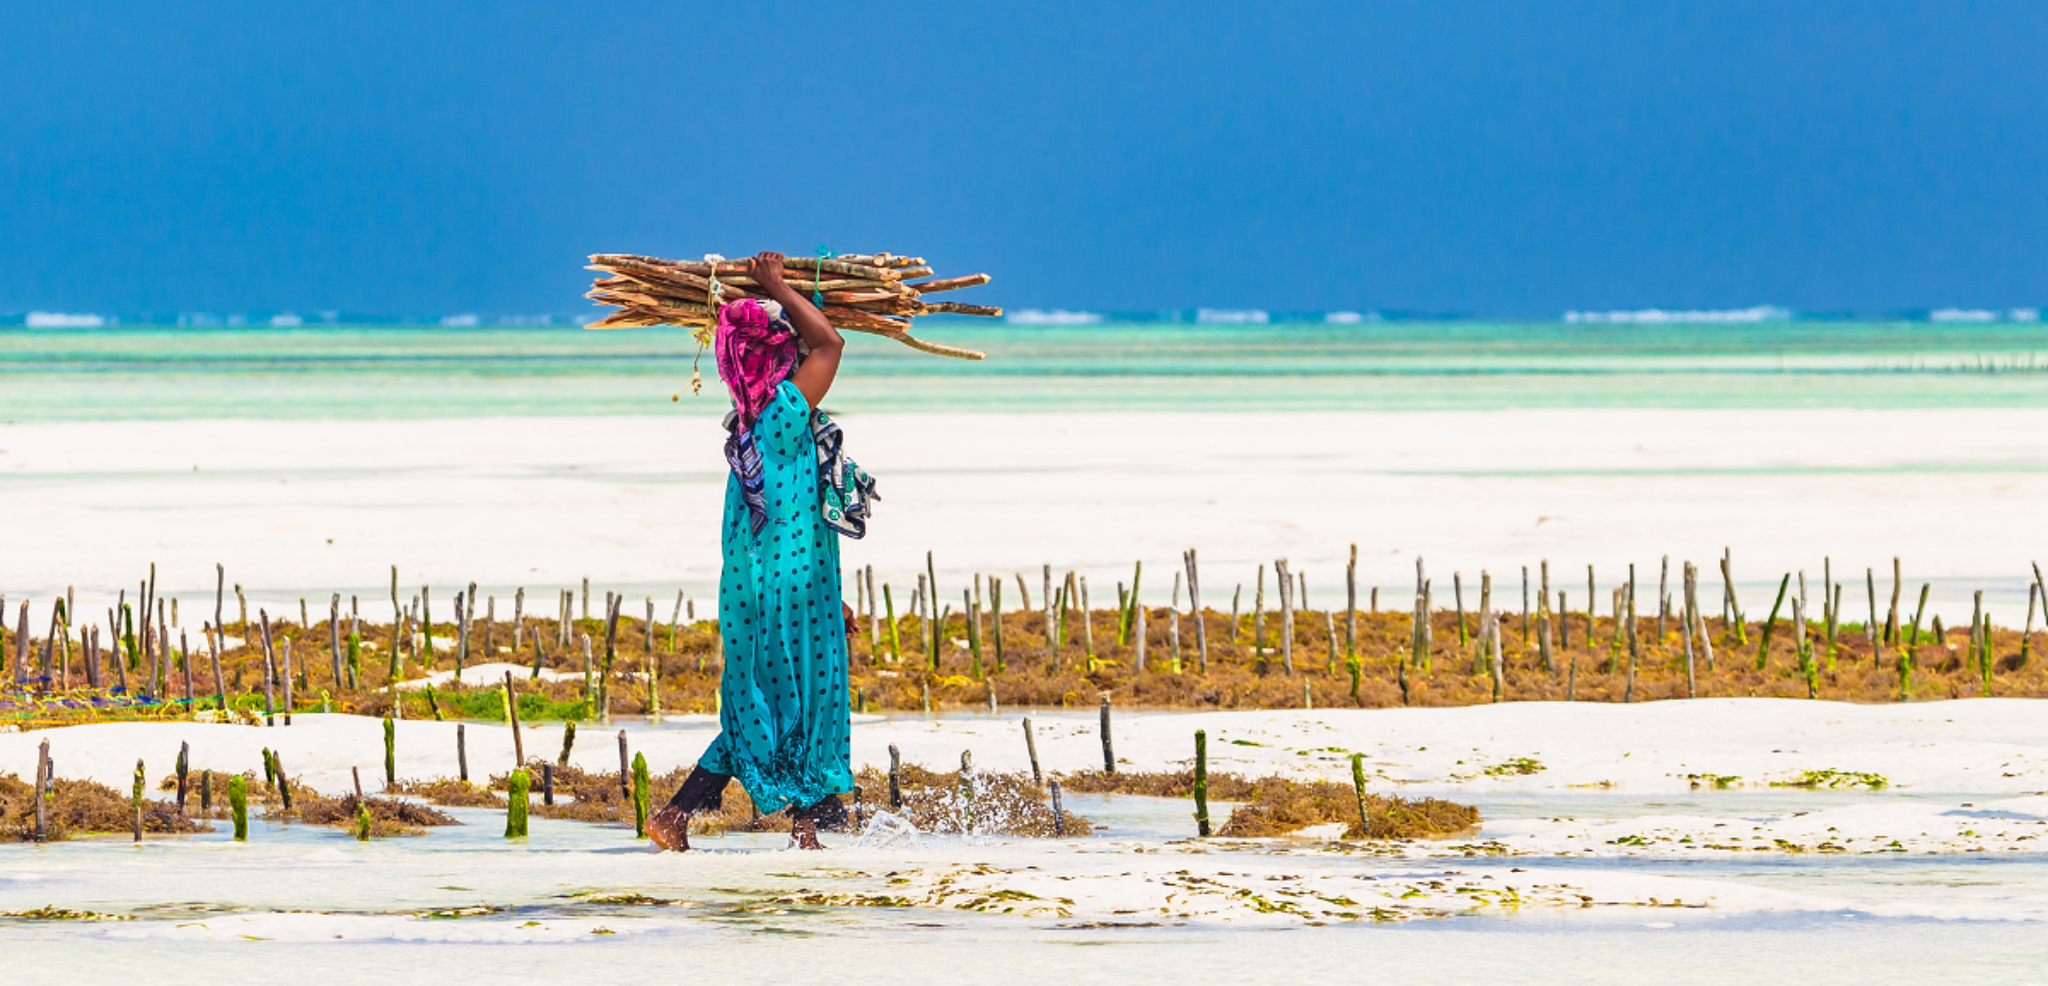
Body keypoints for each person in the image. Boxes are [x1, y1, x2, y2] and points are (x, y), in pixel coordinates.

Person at [649, 250, 876, 852]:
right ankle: (677, 814)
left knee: (784, 704)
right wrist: (775, 284)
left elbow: (797, 527)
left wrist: (835, 605)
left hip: (780, 594)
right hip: (785, 599)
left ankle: (803, 831)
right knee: (791, 704)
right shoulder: (779, 416)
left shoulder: (755, 425)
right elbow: (830, 345)